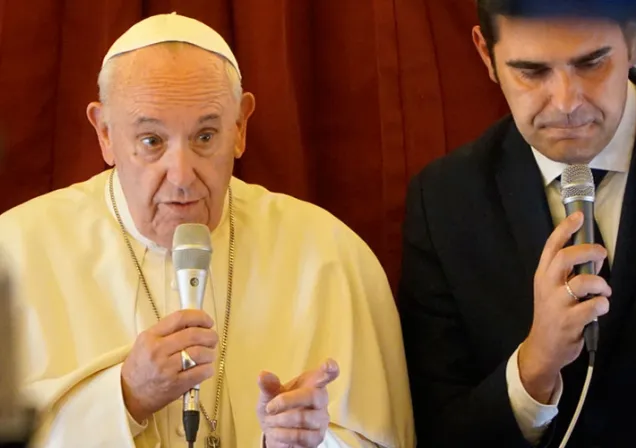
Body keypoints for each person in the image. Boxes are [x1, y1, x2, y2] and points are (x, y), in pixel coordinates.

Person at [0, 13, 414, 448]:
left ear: (240, 128)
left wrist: (306, 441)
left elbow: (383, 438)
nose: (180, 175)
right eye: (151, 141)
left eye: (204, 137)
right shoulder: (17, 252)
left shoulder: (329, 254)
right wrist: (124, 398)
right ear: (104, 133)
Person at [399, 1, 636, 447]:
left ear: (634, 39)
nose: (566, 103)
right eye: (532, 71)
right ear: (486, 55)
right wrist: (534, 367)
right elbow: (439, 431)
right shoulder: (445, 201)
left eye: (592, 63)